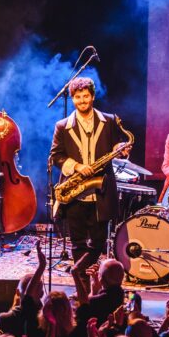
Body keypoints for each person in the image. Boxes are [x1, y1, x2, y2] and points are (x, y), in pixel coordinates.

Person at [49, 77, 128, 268]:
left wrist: (122, 149)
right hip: (75, 191)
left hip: (100, 191)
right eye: (78, 97)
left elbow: (117, 145)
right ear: (73, 98)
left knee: (98, 243)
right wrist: (76, 166)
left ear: (93, 96)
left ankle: (80, 271)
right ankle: (82, 281)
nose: (82, 100)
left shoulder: (109, 121)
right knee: (77, 243)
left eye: (86, 96)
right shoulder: (62, 126)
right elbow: (56, 156)